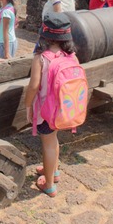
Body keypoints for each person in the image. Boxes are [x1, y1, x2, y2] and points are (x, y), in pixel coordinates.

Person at [24, 12, 77, 197]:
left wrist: (28, 105)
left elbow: (34, 86)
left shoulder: (40, 58)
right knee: (53, 139)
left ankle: (48, 185)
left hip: (46, 111)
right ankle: (53, 171)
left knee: (47, 143)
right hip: (64, 108)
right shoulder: (71, 56)